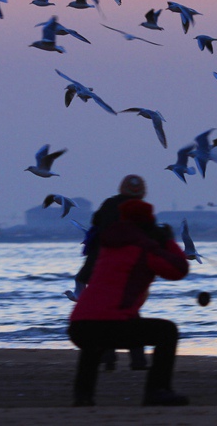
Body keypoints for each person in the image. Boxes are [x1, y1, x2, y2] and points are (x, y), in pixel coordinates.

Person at [68, 197, 190, 407]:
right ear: (148, 223)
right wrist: (168, 241)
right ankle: (157, 390)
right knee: (167, 331)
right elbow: (179, 269)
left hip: (78, 325)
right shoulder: (144, 249)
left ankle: (83, 395)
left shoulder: (108, 245)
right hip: (110, 324)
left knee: (94, 344)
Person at [75, 174, 149, 370]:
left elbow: (96, 224)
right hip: (126, 270)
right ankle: (138, 360)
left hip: (101, 269)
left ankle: (108, 357)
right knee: (131, 313)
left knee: (104, 314)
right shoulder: (142, 212)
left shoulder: (108, 205)